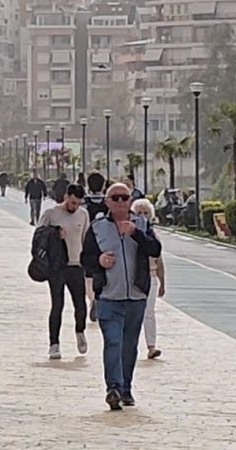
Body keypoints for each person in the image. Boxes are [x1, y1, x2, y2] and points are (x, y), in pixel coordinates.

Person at [82, 183, 162, 410]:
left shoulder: (142, 224)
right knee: (113, 343)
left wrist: (135, 233)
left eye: (124, 198)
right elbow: (85, 258)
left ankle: (126, 388)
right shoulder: (97, 227)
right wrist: (99, 261)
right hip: (108, 296)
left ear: (130, 200)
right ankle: (113, 388)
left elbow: (155, 249)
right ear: (107, 201)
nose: (119, 202)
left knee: (129, 347)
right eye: (114, 198)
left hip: (136, 296)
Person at [37, 184, 91, 360]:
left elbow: (85, 238)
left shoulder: (83, 214)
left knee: (80, 305)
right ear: (66, 196)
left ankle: (80, 331)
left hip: (76, 265)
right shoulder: (51, 213)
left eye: (78, 204)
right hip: (57, 266)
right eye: (72, 202)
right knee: (57, 305)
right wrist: (54, 233)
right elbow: (38, 236)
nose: (74, 206)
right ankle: (54, 344)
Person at [131, 199, 166, 359]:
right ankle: (130, 346)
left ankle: (151, 346)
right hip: (132, 277)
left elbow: (159, 260)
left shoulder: (153, 235)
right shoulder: (128, 233)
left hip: (150, 277)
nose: (142, 216)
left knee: (149, 312)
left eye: (145, 213)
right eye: (139, 213)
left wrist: (162, 283)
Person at [82, 171, 109, 321]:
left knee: (88, 275)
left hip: (87, 242)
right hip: (105, 243)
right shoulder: (108, 203)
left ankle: (92, 299)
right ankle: (98, 299)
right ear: (103, 185)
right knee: (103, 274)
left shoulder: (84, 202)